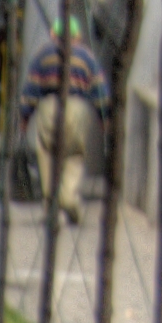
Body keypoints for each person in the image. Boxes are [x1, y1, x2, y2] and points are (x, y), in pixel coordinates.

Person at [22, 25, 109, 224]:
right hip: (78, 108)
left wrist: (25, 117)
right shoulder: (87, 58)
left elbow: (31, 88)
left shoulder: (43, 55)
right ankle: (69, 198)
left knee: (47, 153)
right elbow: (100, 90)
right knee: (75, 154)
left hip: (49, 106)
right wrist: (104, 119)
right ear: (77, 36)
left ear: (53, 35)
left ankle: (51, 202)